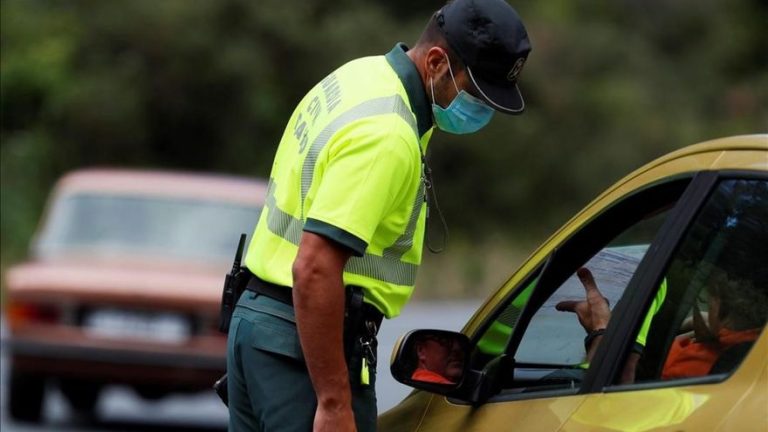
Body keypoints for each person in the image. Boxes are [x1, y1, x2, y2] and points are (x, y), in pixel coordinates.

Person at [226, 0, 532, 431]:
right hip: (302, 348)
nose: (482, 110)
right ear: (437, 62)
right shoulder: (388, 132)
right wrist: (333, 402)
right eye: (475, 92)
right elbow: (314, 268)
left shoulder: (360, 76)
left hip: (261, 328)